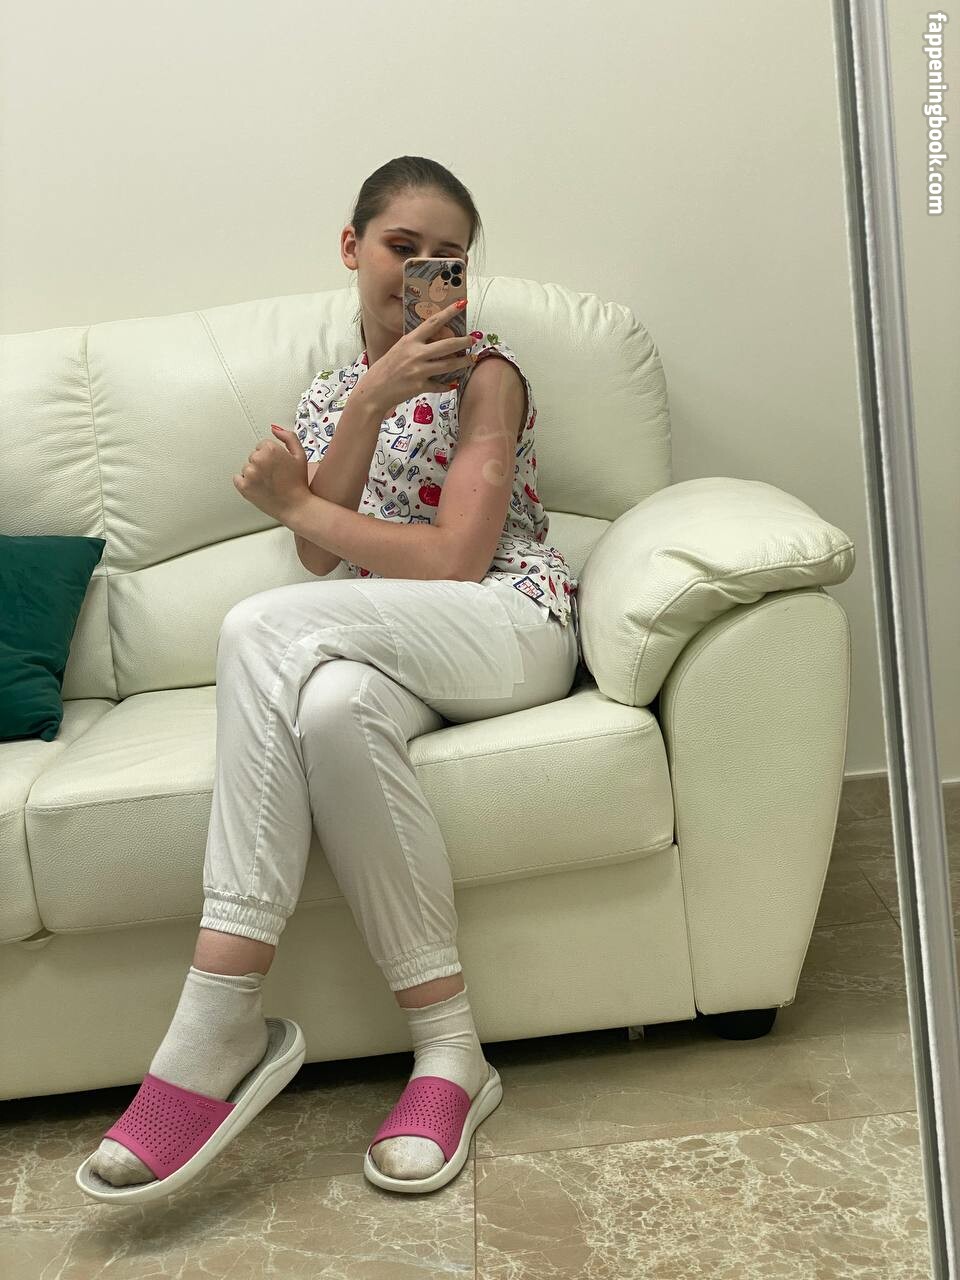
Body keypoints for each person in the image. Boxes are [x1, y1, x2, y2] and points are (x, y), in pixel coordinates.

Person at [80, 155, 580, 1198]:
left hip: (507, 622)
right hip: (379, 649)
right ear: (352, 248)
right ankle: (450, 1050)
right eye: (403, 247)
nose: (424, 271)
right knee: (333, 710)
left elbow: (456, 559)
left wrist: (297, 502)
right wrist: (367, 402)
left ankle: (220, 1010)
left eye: (449, 257)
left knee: (257, 626)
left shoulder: (489, 375)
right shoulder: (325, 398)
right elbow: (322, 560)